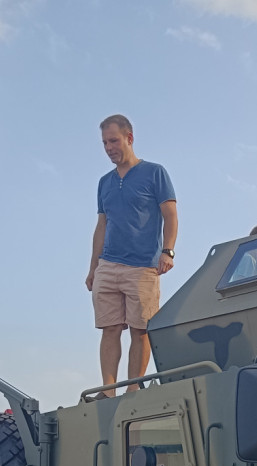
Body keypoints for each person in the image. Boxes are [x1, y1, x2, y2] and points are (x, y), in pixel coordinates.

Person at [85, 114, 178, 397]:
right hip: (108, 264)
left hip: (142, 266)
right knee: (109, 328)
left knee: (140, 330)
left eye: (113, 140)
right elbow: (102, 225)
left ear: (129, 138)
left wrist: (168, 250)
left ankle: (133, 388)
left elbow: (170, 213)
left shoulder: (154, 172)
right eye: (104, 143)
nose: (109, 147)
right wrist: (93, 268)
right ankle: (109, 390)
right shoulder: (104, 183)